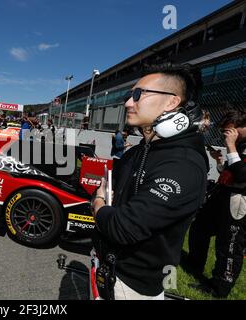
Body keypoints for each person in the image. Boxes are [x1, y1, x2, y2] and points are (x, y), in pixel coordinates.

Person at [91, 64, 209, 300]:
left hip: (130, 287)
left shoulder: (184, 165)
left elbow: (124, 226)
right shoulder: (137, 152)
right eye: (128, 96)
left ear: (171, 103)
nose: (128, 103)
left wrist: (99, 204)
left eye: (138, 95)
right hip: (104, 267)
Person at [187, 110, 246, 298]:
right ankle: (195, 264)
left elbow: (244, 175)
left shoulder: (236, 145)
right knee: (199, 227)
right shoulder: (238, 144)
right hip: (223, 195)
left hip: (239, 201)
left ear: (240, 127)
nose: (225, 135)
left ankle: (219, 287)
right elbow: (232, 173)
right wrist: (221, 162)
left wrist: (230, 146)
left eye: (228, 131)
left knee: (229, 245)